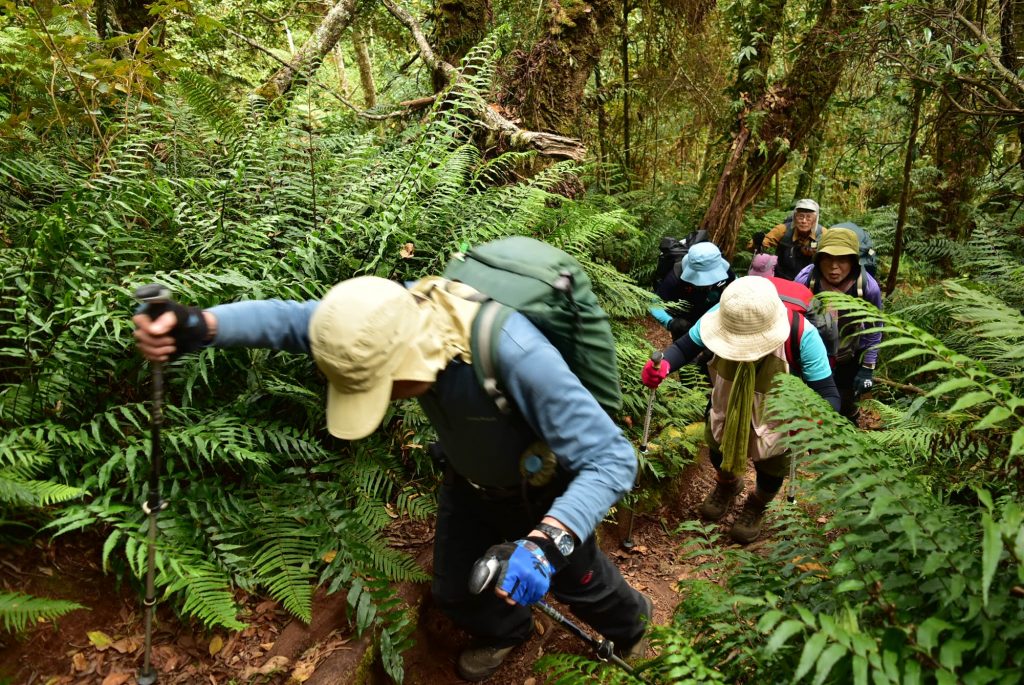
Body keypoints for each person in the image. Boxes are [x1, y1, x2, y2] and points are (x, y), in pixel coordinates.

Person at [133, 275, 653, 682]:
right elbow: (295, 322)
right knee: (453, 588)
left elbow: (612, 458)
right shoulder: (382, 317)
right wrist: (199, 326)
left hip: (547, 490)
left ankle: (631, 627)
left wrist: (547, 542)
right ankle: (509, 629)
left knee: (582, 583)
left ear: (408, 359)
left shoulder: (515, 354)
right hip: (468, 481)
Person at [640, 276, 840, 544]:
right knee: (716, 448)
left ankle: (757, 503)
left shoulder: (802, 335)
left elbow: (827, 392)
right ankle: (727, 485)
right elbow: (684, 348)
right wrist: (663, 366)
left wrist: (818, 422)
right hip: (727, 398)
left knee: (771, 467)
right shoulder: (719, 314)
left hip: (777, 414)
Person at [794, 227, 883, 424]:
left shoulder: (867, 287)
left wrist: (867, 367)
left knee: (845, 403)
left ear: (853, 261)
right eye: (828, 259)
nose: (834, 267)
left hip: (849, 354)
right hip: (811, 355)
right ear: (819, 260)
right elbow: (792, 320)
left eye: (842, 259)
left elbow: (874, 329)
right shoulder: (806, 281)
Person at [649, 242, 736, 341]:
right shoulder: (674, 278)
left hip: (713, 319)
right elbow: (653, 303)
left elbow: (736, 284)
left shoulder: (724, 269)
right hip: (685, 324)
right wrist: (670, 322)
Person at [755, 198, 823, 281]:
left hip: (809, 280)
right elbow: (760, 245)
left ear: (815, 219)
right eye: (800, 217)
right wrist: (757, 243)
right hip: (782, 278)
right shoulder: (782, 230)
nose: (804, 221)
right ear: (794, 217)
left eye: (809, 217)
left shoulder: (823, 233)